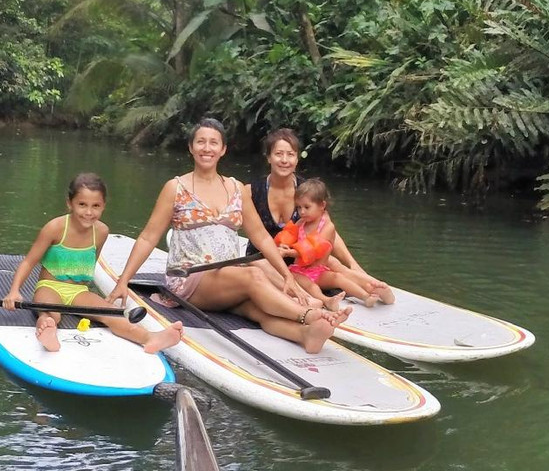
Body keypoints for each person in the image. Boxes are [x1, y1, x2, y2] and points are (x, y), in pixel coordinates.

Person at [106, 118, 348, 355]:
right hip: (189, 277)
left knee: (257, 308)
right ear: (191, 147)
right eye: (201, 142)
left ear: (223, 150)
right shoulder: (175, 188)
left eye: (214, 143)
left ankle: (305, 335)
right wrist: (123, 281)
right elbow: (149, 237)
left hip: (228, 278)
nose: (207, 148)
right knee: (254, 273)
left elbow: (262, 238)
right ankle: (308, 315)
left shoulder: (236, 188)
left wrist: (287, 277)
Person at [2, 172, 184, 353]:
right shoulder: (55, 228)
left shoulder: (102, 232)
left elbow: (90, 264)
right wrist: (14, 291)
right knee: (50, 315)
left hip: (79, 292)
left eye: (95, 206)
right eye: (82, 205)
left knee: (112, 314)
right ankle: (48, 333)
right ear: (70, 203)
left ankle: (150, 338)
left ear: (103, 206)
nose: (89, 212)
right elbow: (28, 262)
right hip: (50, 287)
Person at [245, 128, 391, 295]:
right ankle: (310, 297)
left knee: (333, 262)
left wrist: (352, 263)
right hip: (264, 259)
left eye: (290, 154)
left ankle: (372, 287)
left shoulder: (308, 191)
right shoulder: (251, 191)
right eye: (279, 154)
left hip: (299, 260)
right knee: (259, 267)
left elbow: (327, 230)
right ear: (269, 157)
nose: (284, 160)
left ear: (297, 158)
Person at [287, 179, 395, 306]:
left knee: (339, 274)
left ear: (322, 205)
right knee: (316, 281)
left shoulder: (326, 225)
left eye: (306, 207)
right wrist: (284, 246)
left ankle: (371, 291)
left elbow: (312, 250)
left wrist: (289, 252)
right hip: (300, 270)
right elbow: (289, 237)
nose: (302, 212)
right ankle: (327, 300)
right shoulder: (300, 223)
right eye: (298, 208)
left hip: (318, 268)